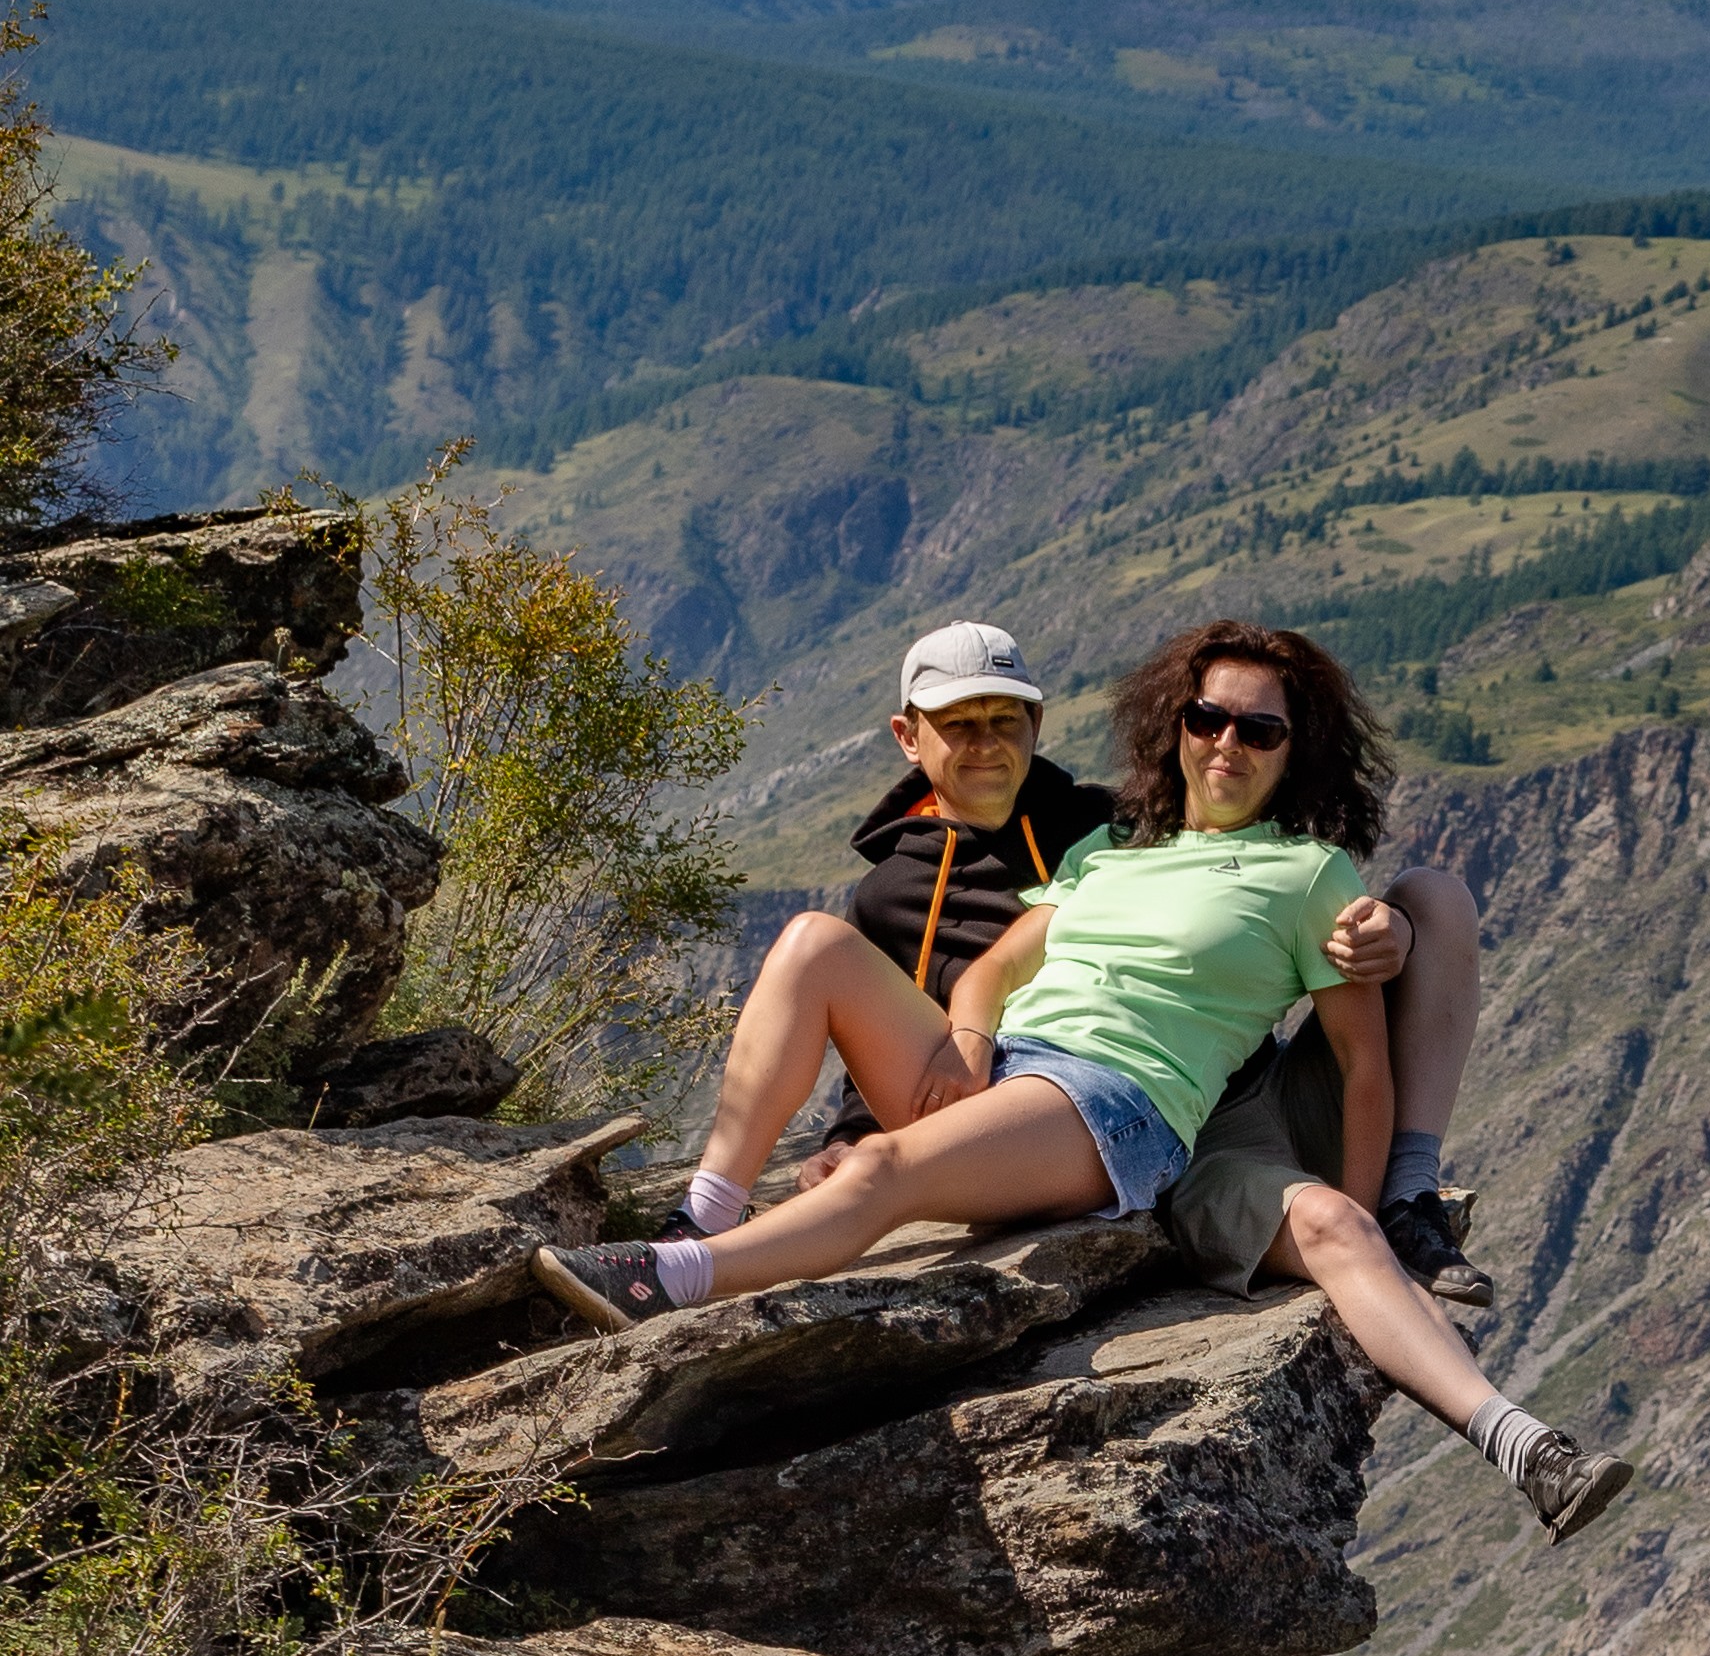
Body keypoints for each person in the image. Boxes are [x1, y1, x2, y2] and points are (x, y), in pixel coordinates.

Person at [531, 619, 1631, 1545]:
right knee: (814, 942)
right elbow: (994, 970)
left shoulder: (1308, 876)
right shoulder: (1108, 847)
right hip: (1013, 1071)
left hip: (1111, 1101)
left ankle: (674, 1279)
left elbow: (1362, 1066)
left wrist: (1361, 1203)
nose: (1228, 744)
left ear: (1297, 752)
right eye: (1208, 719)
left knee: (884, 1173)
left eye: (1260, 730)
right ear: (1175, 726)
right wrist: (966, 1039)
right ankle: (705, 1208)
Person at [795, 615, 1489, 1301]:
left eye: (1003, 721)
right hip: (1121, 1124)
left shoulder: (1107, 827)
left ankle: (1408, 1198)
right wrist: (853, 1133)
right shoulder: (893, 894)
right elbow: (892, 1035)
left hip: (1233, 1082)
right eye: (957, 724)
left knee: (1435, 897)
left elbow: (1242, 882)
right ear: (910, 735)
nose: (984, 745)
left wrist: (1395, 931)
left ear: (1035, 724)